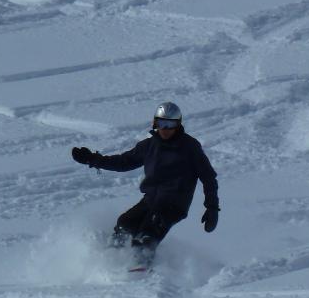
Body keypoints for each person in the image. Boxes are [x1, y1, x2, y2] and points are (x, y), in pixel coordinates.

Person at [70, 101, 219, 261]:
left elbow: (208, 177)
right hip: (150, 200)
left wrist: (212, 208)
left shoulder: (190, 148)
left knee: (147, 234)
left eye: (170, 125)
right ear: (155, 123)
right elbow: (123, 162)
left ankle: (142, 268)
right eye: (162, 123)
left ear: (178, 125)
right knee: (124, 223)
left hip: (174, 204)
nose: (165, 129)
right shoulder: (149, 145)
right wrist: (93, 159)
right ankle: (110, 257)